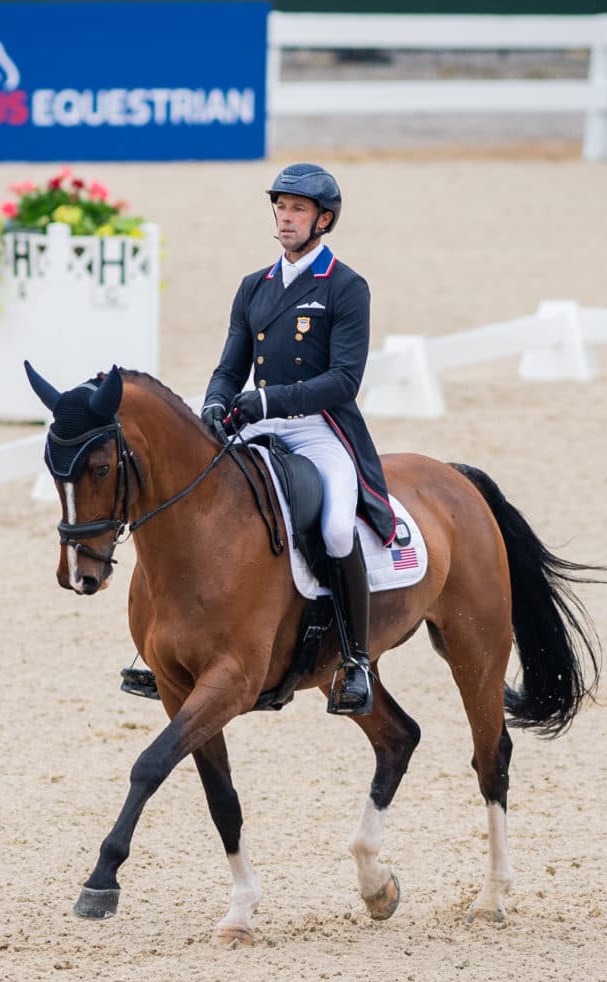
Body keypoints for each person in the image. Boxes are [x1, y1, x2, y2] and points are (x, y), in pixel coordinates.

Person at [200, 163, 396, 716]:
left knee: (335, 528)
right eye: (281, 208)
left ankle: (355, 659)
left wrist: (272, 401)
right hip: (257, 423)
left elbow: (344, 380)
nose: (286, 218)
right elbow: (229, 365)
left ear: (323, 220)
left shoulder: (345, 286)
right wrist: (217, 401)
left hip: (319, 430)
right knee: (196, 495)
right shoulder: (253, 287)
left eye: (298, 210)